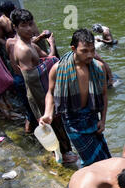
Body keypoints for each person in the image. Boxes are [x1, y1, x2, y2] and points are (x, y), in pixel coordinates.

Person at [11, 8, 78, 163]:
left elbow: (48, 57)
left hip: (44, 90)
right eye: (23, 25)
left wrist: (51, 44)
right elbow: (32, 78)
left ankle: (63, 151)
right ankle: (63, 153)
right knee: (52, 123)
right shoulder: (23, 50)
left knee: (58, 122)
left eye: (30, 24)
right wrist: (48, 104)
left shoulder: (30, 44)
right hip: (39, 93)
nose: (29, 28)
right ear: (15, 27)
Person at [39, 28, 112, 167]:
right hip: (72, 122)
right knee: (92, 162)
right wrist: (48, 113)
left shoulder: (99, 68)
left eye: (92, 50)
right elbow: (51, 92)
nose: (90, 55)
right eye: (84, 51)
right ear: (73, 48)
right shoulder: (58, 68)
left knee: (104, 156)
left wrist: (102, 120)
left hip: (92, 118)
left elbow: (103, 95)